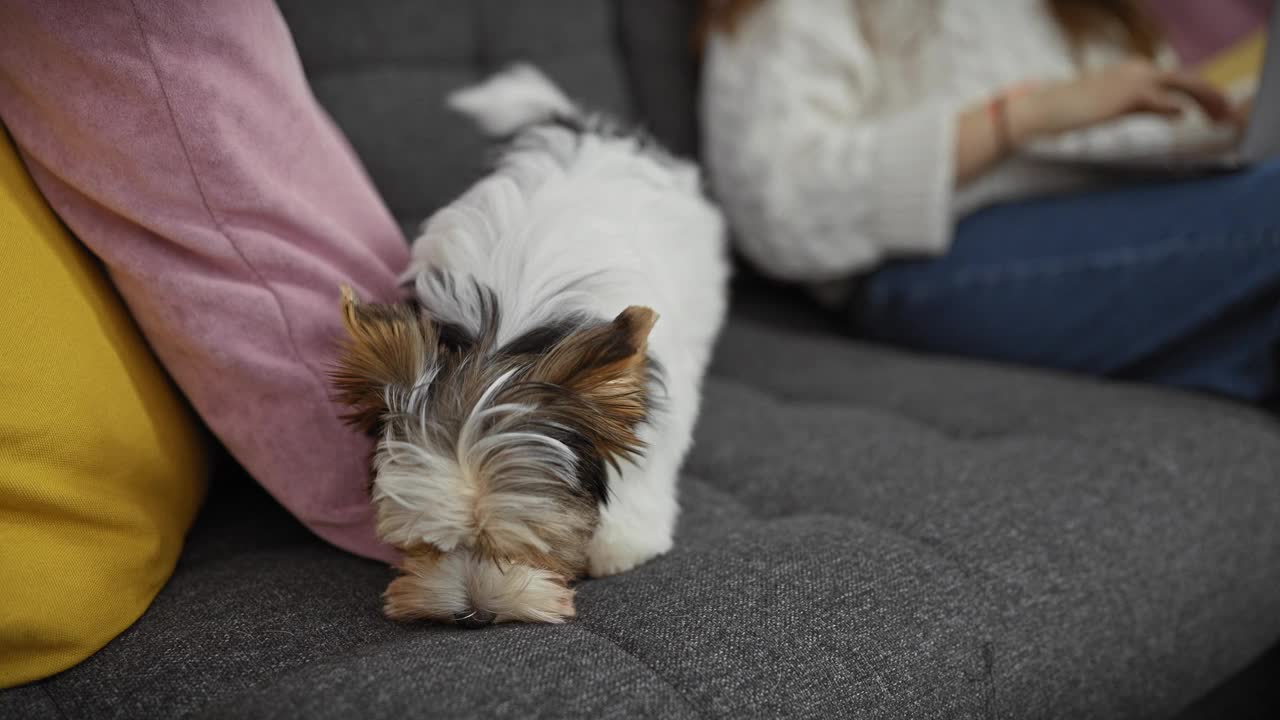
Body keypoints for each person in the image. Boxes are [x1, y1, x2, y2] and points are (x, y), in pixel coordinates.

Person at [700, 0, 1280, 402]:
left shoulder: (1087, 12)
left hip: (1118, 210)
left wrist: (1221, 132)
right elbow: (778, 204)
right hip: (937, 253)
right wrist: (1019, 117)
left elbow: (1117, 138)